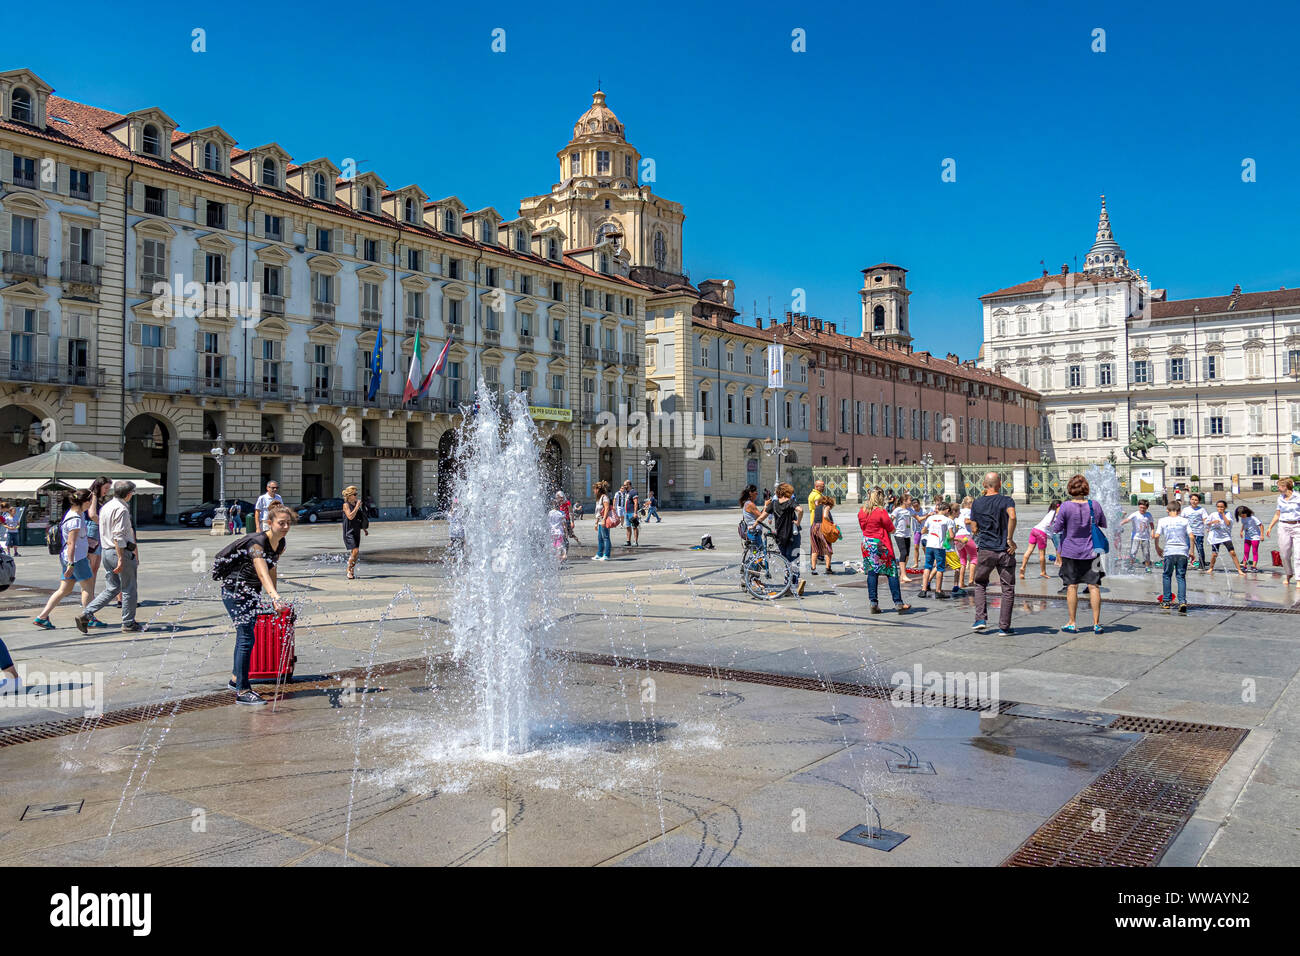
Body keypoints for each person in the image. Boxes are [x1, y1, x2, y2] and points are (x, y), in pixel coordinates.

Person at [219, 503, 294, 706]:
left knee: (246, 635)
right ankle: (243, 690)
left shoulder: (281, 543)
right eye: (281, 523)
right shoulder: (257, 543)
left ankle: (236, 680)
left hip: (251, 592)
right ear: (269, 523)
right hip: (235, 592)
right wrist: (275, 597)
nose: (286, 526)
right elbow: (261, 570)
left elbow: (271, 569)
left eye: (288, 523)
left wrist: (273, 597)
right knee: (246, 637)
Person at [77, 480, 142, 632]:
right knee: (129, 588)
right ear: (128, 494)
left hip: (106, 551)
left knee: (112, 588)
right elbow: (118, 535)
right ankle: (128, 622)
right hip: (119, 551)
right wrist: (121, 558)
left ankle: (86, 613)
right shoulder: (121, 509)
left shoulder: (106, 506)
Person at [1051, 474, 1107, 634]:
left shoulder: (1066, 507)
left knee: (1072, 586)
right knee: (1094, 586)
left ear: (1070, 488)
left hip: (1070, 552)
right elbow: (1103, 523)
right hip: (1092, 552)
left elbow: (1056, 528)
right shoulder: (1094, 505)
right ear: (1086, 488)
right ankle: (1096, 623)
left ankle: (1072, 622)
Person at [33, 490, 95, 629]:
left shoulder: (74, 514)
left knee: (64, 590)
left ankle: (42, 617)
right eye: (90, 501)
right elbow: (71, 543)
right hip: (76, 559)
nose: (91, 504)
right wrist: (71, 564)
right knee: (87, 588)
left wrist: (88, 542)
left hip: (69, 558)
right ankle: (89, 618)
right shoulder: (76, 519)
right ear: (85, 502)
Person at [967, 473, 1018, 634]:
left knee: (981, 583)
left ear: (984, 484)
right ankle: (1004, 627)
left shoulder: (977, 503)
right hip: (1005, 550)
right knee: (1007, 588)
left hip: (986, 550)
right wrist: (1009, 538)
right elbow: (1013, 516)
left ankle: (980, 619)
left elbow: (974, 528)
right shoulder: (1007, 500)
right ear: (1000, 484)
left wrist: (980, 532)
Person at [859, 487, 911, 613]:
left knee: (872, 573)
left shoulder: (862, 511)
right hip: (881, 544)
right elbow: (892, 529)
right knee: (891, 572)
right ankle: (898, 602)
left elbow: (863, 527)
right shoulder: (881, 511)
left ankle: (873, 603)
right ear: (880, 497)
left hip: (867, 544)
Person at [764, 482, 805, 597]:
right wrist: (798, 522)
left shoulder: (774, 503)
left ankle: (789, 587)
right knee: (794, 560)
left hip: (780, 535)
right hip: (793, 534)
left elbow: (763, 515)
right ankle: (795, 583)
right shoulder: (791, 501)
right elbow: (800, 510)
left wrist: (755, 523)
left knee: (786, 561)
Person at [1154, 500, 1191, 612]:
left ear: (1167, 510)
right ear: (1179, 511)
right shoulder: (1185, 521)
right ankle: (1182, 602)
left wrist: (1157, 547)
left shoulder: (1162, 520)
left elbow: (1156, 535)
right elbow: (1192, 536)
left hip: (1169, 551)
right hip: (1182, 551)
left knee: (1166, 575)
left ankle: (1166, 601)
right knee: (1180, 577)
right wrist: (1192, 551)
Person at [1264, 477, 1300, 586]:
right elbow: (1277, 514)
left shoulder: (1298, 497)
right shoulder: (1280, 498)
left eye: (1279, 486)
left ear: (1285, 487)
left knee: (1298, 555)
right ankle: (1289, 574)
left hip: (1297, 526)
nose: (1278, 488)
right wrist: (1270, 527)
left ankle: (1298, 579)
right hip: (1283, 526)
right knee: (1284, 554)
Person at [918, 501, 954, 598]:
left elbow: (923, 531)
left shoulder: (930, 518)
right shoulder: (948, 520)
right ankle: (938, 591)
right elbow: (951, 535)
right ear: (946, 510)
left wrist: (932, 530)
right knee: (940, 568)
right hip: (939, 546)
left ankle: (923, 590)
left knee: (927, 567)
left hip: (930, 545)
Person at [84, 476, 111, 595]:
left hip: (95, 531)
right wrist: (105, 525)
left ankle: (90, 594)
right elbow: (92, 514)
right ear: (99, 486)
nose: (107, 491)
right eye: (105, 488)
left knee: (94, 566)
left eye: (108, 488)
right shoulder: (93, 495)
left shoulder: (98, 497)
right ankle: (88, 595)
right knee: (91, 566)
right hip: (93, 530)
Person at [1204, 500, 1245, 576]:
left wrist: (1223, 514)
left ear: (1225, 507)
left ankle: (1239, 570)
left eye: (1222, 507)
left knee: (1232, 552)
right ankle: (1211, 568)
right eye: (1218, 507)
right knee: (1214, 554)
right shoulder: (1213, 514)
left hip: (1225, 536)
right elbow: (1206, 523)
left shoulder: (1228, 514)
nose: (1220, 508)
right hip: (1215, 536)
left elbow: (1228, 523)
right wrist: (1213, 522)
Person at [1021, 500, 1060, 579]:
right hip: (1041, 533)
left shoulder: (1050, 512)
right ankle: (1043, 572)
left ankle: (1022, 567)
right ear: (1058, 506)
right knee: (1042, 554)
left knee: (1029, 550)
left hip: (1034, 529)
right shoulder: (1056, 514)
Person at [890, 493, 917, 585]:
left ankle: (902, 576)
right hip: (899, 534)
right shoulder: (897, 510)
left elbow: (918, 518)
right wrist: (890, 529)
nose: (911, 501)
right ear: (904, 501)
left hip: (907, 534)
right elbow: (891, 520)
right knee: (903, 552)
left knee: (907, 555)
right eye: (910, 500)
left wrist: (929, 515)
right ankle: (903, 574)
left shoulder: (910, 510)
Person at [1121, 500, 1155, 572]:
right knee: (1133, 552)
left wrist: (1152, 532)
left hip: (1145, 537)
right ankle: (1131, 566)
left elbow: (1151, 524)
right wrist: (1119, 524)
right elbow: (1127, 520)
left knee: (1146, 553)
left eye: (1144, 508)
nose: (1142, 509)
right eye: (1141, 507)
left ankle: (1147, 566)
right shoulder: (1135, 514)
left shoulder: (1148, 515)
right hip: (1135, 537)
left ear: (1147, 508)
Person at [341, 485, 367, 579]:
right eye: (355, 494)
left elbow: (359, 518)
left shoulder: (355, 504)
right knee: (355, 550)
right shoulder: (346, 505)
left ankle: (351, 570)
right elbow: (350, 517)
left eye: (356, 494)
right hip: (349, 531)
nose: (356, 496)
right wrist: (357, 506)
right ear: (349, 496)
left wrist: (364, 528)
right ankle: (349, 569)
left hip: (356, 530)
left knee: (355, 553)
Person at [954, 496, 977, 591]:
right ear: (969, 504)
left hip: (957, 537)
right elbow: (967, 521)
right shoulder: (968, 511)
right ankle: (971, 580)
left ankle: (961, 582)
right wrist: (976, 520)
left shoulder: (960, 511)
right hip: (965, 536)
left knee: (962, 559)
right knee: (974, 557)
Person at [810, 489, 835, 575]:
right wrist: (831, 522)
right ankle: (828, 568)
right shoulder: (826, 506)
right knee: (827, 547)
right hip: (822, 528)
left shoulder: (817, 506)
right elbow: (825, 515)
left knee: (814, 548)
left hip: (813, 527)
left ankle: (813, 568)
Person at [1184, 493, 1209, 569]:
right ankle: (1184, 563)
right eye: (1192, 499)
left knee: (1200, 548)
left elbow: (1205, 519)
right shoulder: (1186, 509)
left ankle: (1202, 565)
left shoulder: (1202, 510)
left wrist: (1207, 527)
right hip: (1188, 532)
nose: (1194, 501)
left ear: (1198, 501)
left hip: (1198, 532)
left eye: (1196, 500)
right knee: (1186, 548)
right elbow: (1182, 520)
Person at [1235, 505, 1262, 571]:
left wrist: (1262, 535)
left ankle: (1254, 566)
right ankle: (1244, 566)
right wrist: (1241, 531)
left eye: (1242, 515)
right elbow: (1244, 524)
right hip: (1247, 537)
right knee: (1246, 551)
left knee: (1254, 551)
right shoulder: (1243, 519)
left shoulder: (1253, 518)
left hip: (1255, 537)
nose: (1241, 517)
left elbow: (1261, 525)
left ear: (1246, 512)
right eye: (1240, 515)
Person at [614, 481, 640, 547]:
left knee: (634, 527)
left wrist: (635, 513)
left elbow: (636, 503)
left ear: (628, 484)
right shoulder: (627, 492)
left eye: (625, 485)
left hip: (632, 512)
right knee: (628, 527)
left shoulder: (633, 492)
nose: (624, 486)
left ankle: (635, 541)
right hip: (626, 512)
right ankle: (628, 541)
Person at [592, 480, 612, 561]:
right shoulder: (599, 498)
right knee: (600, 538)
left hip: (604, 520)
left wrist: (604, 519)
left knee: (606, 537)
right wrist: (596, 523)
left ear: (598, 490)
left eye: (594, 489)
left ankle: (606, 554)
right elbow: (598, 512)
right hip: (600, 520)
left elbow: (607, 508)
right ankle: (599, 554)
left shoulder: (604, 497)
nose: (594, 491)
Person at [548, 494, 568, 564]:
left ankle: (555, 560)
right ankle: (561, 558)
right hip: (559, 533)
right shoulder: (561, 513)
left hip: (552, 533)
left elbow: (549, 523)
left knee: (554, 546)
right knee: (560, 547)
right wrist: (566, 533)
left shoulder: (550, 513)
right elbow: (564, 524)